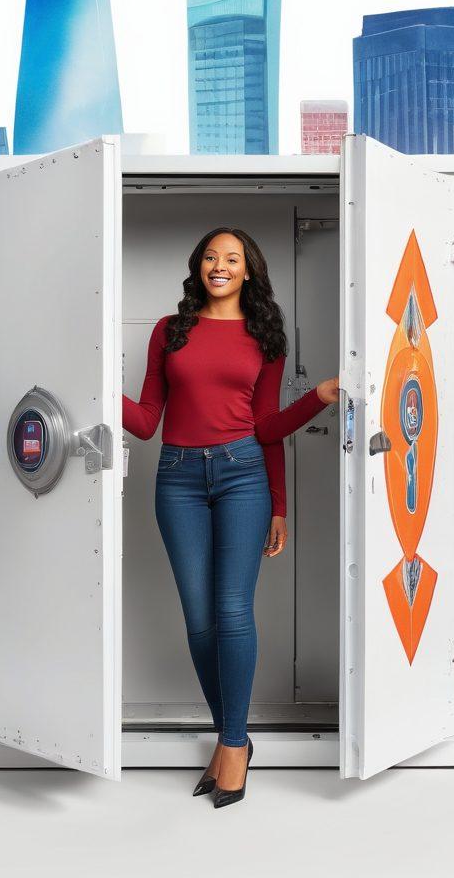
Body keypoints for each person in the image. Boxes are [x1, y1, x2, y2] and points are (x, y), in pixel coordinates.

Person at [123, 226, 337, 808]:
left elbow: (267, 428)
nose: (221, 265)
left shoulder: (266, 336)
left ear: (249, 270)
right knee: (198, 619)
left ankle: (235, 747)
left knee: (232, 609)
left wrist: (317, 399)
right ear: (198, 268)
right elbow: (145, 420)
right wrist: (89, 386)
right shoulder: (170, 332)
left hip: (244, 475)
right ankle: (231, 739)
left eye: (232, 258)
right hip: (177, 479)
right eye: (211, 257)